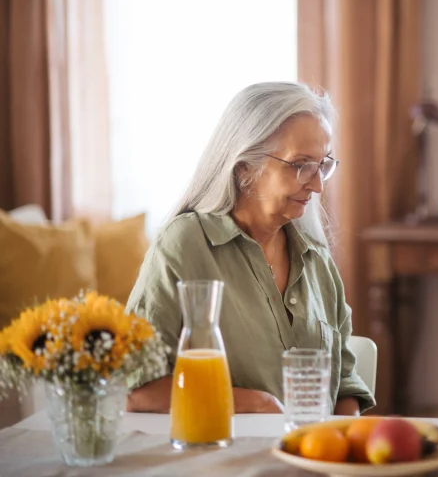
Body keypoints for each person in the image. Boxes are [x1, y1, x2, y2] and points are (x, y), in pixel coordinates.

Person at [125, 82, 374, 415]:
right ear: (244, 167)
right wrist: (253, 403)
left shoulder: (316, 256)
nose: (316, 185)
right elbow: (138, 389)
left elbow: (344, 383)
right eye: (301, 165)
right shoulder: (184, 245)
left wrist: (343, 440)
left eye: (322, 165)